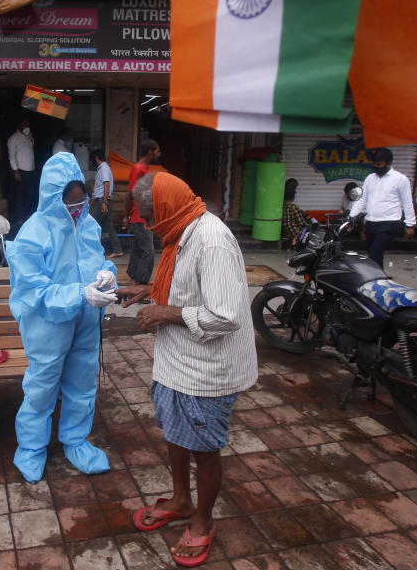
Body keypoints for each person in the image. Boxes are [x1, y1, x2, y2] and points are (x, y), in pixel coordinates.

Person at [116, 172, 257, 568]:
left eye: (149, 216)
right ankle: (181, 500)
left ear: (164, 207)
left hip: (208, 369)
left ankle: (203, 519)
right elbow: (186, 285)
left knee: (204, 447)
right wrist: (149, 291)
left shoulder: (211, 241)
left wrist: (165, 311)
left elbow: (225, 315)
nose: (148, 223)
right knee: (176, 434)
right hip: (178, 361)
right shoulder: (182, 228)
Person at [7, 152, 117, 483]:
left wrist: (108, 275)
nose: (76, 211)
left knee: (82, 384)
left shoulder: (89, 224)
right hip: (47, 326)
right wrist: (79, 294)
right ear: (52, 197)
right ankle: (30, 447)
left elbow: (98, 263)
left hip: (86, 322)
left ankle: (75, 440)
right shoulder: (32, 234)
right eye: (69, 205)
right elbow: (34, 291)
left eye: (80, 203)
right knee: (42, 387)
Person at [349, 147, 415, 269]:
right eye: (374, 164)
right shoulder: (370, 178)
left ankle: (378, 280)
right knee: (372, 253)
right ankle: (377, 277)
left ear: (388, 163)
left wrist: (410, 225)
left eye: (379, 164)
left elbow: (407, 202)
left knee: (375, 252)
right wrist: (352, 217)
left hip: (390, 223)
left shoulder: (400, 179)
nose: (376, 166)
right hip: (371, 223)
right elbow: (362, 199)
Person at [123, 139, 161, 285]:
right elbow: (130, 194)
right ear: (150, 152)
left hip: (143, 216)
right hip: (139, 217)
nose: (159, 154)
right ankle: (140, 284)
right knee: (148, 253)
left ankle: (135, 281)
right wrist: (126, 216)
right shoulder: (138, 169)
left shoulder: (144, 169)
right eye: (157, 151)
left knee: (138, 250)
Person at [89, 148, 122, 258]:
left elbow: (106, 185)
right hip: (103, 201)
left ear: (96, 158)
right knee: (109, 227)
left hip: (101, 203)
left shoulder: (103, 169)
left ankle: (92, 250)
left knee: (90, 224)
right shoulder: (104, 168)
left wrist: (104, 201)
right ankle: (117, 250)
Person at [7, 119, 37, 225]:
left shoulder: (30, 136)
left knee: (30, 194)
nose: (27, 127)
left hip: (31, 170)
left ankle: (28, 216)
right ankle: (20, 217)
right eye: (24, 124)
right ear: (19, 125)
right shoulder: (13, 139)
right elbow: (12, 156)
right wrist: (15, 170)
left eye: (28, 124)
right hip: (20, 171)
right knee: (20, 196)